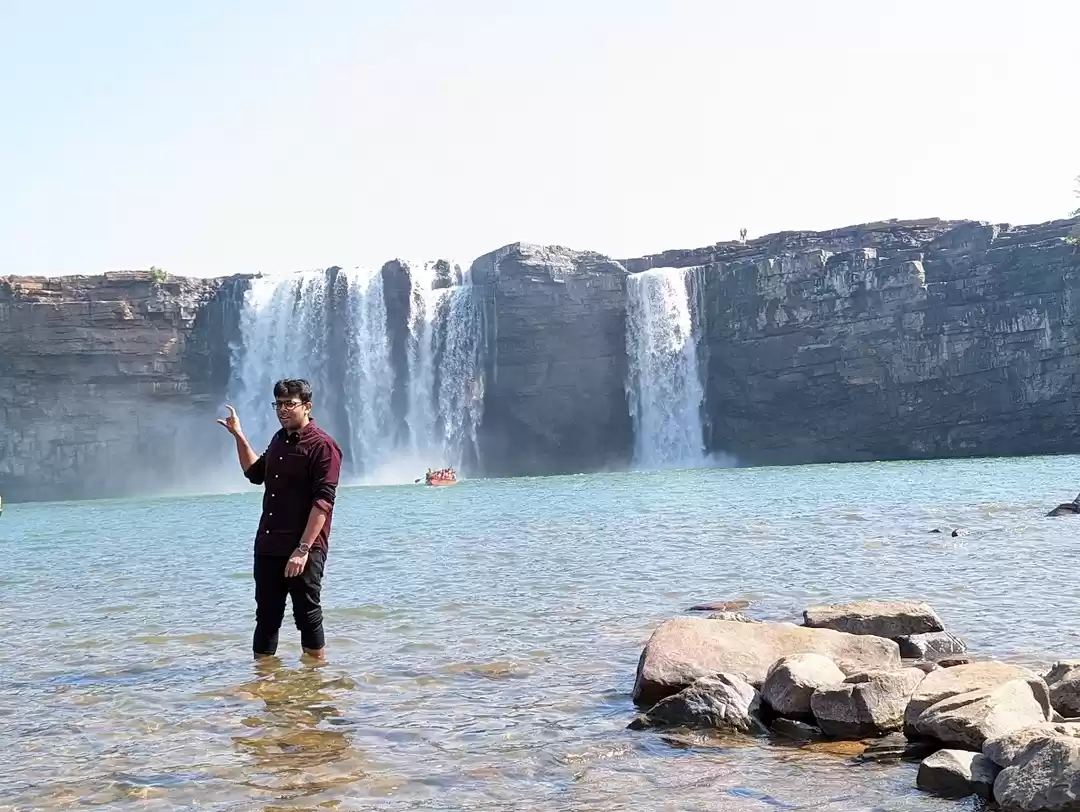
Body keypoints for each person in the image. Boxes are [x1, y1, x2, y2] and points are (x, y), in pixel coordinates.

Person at [217, 379, 343, 661]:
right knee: (266, 616)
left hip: (303, 548)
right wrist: (239, 435)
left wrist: (303, 549)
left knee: (307, 614)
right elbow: (254, 473)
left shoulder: (323, 446)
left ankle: (315, 681)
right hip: (269, 544)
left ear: (307, 406)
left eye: (290, 404)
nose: (282, 410)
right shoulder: (278, 439)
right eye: (278, 404)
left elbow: (323, 502)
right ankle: (264, 684)